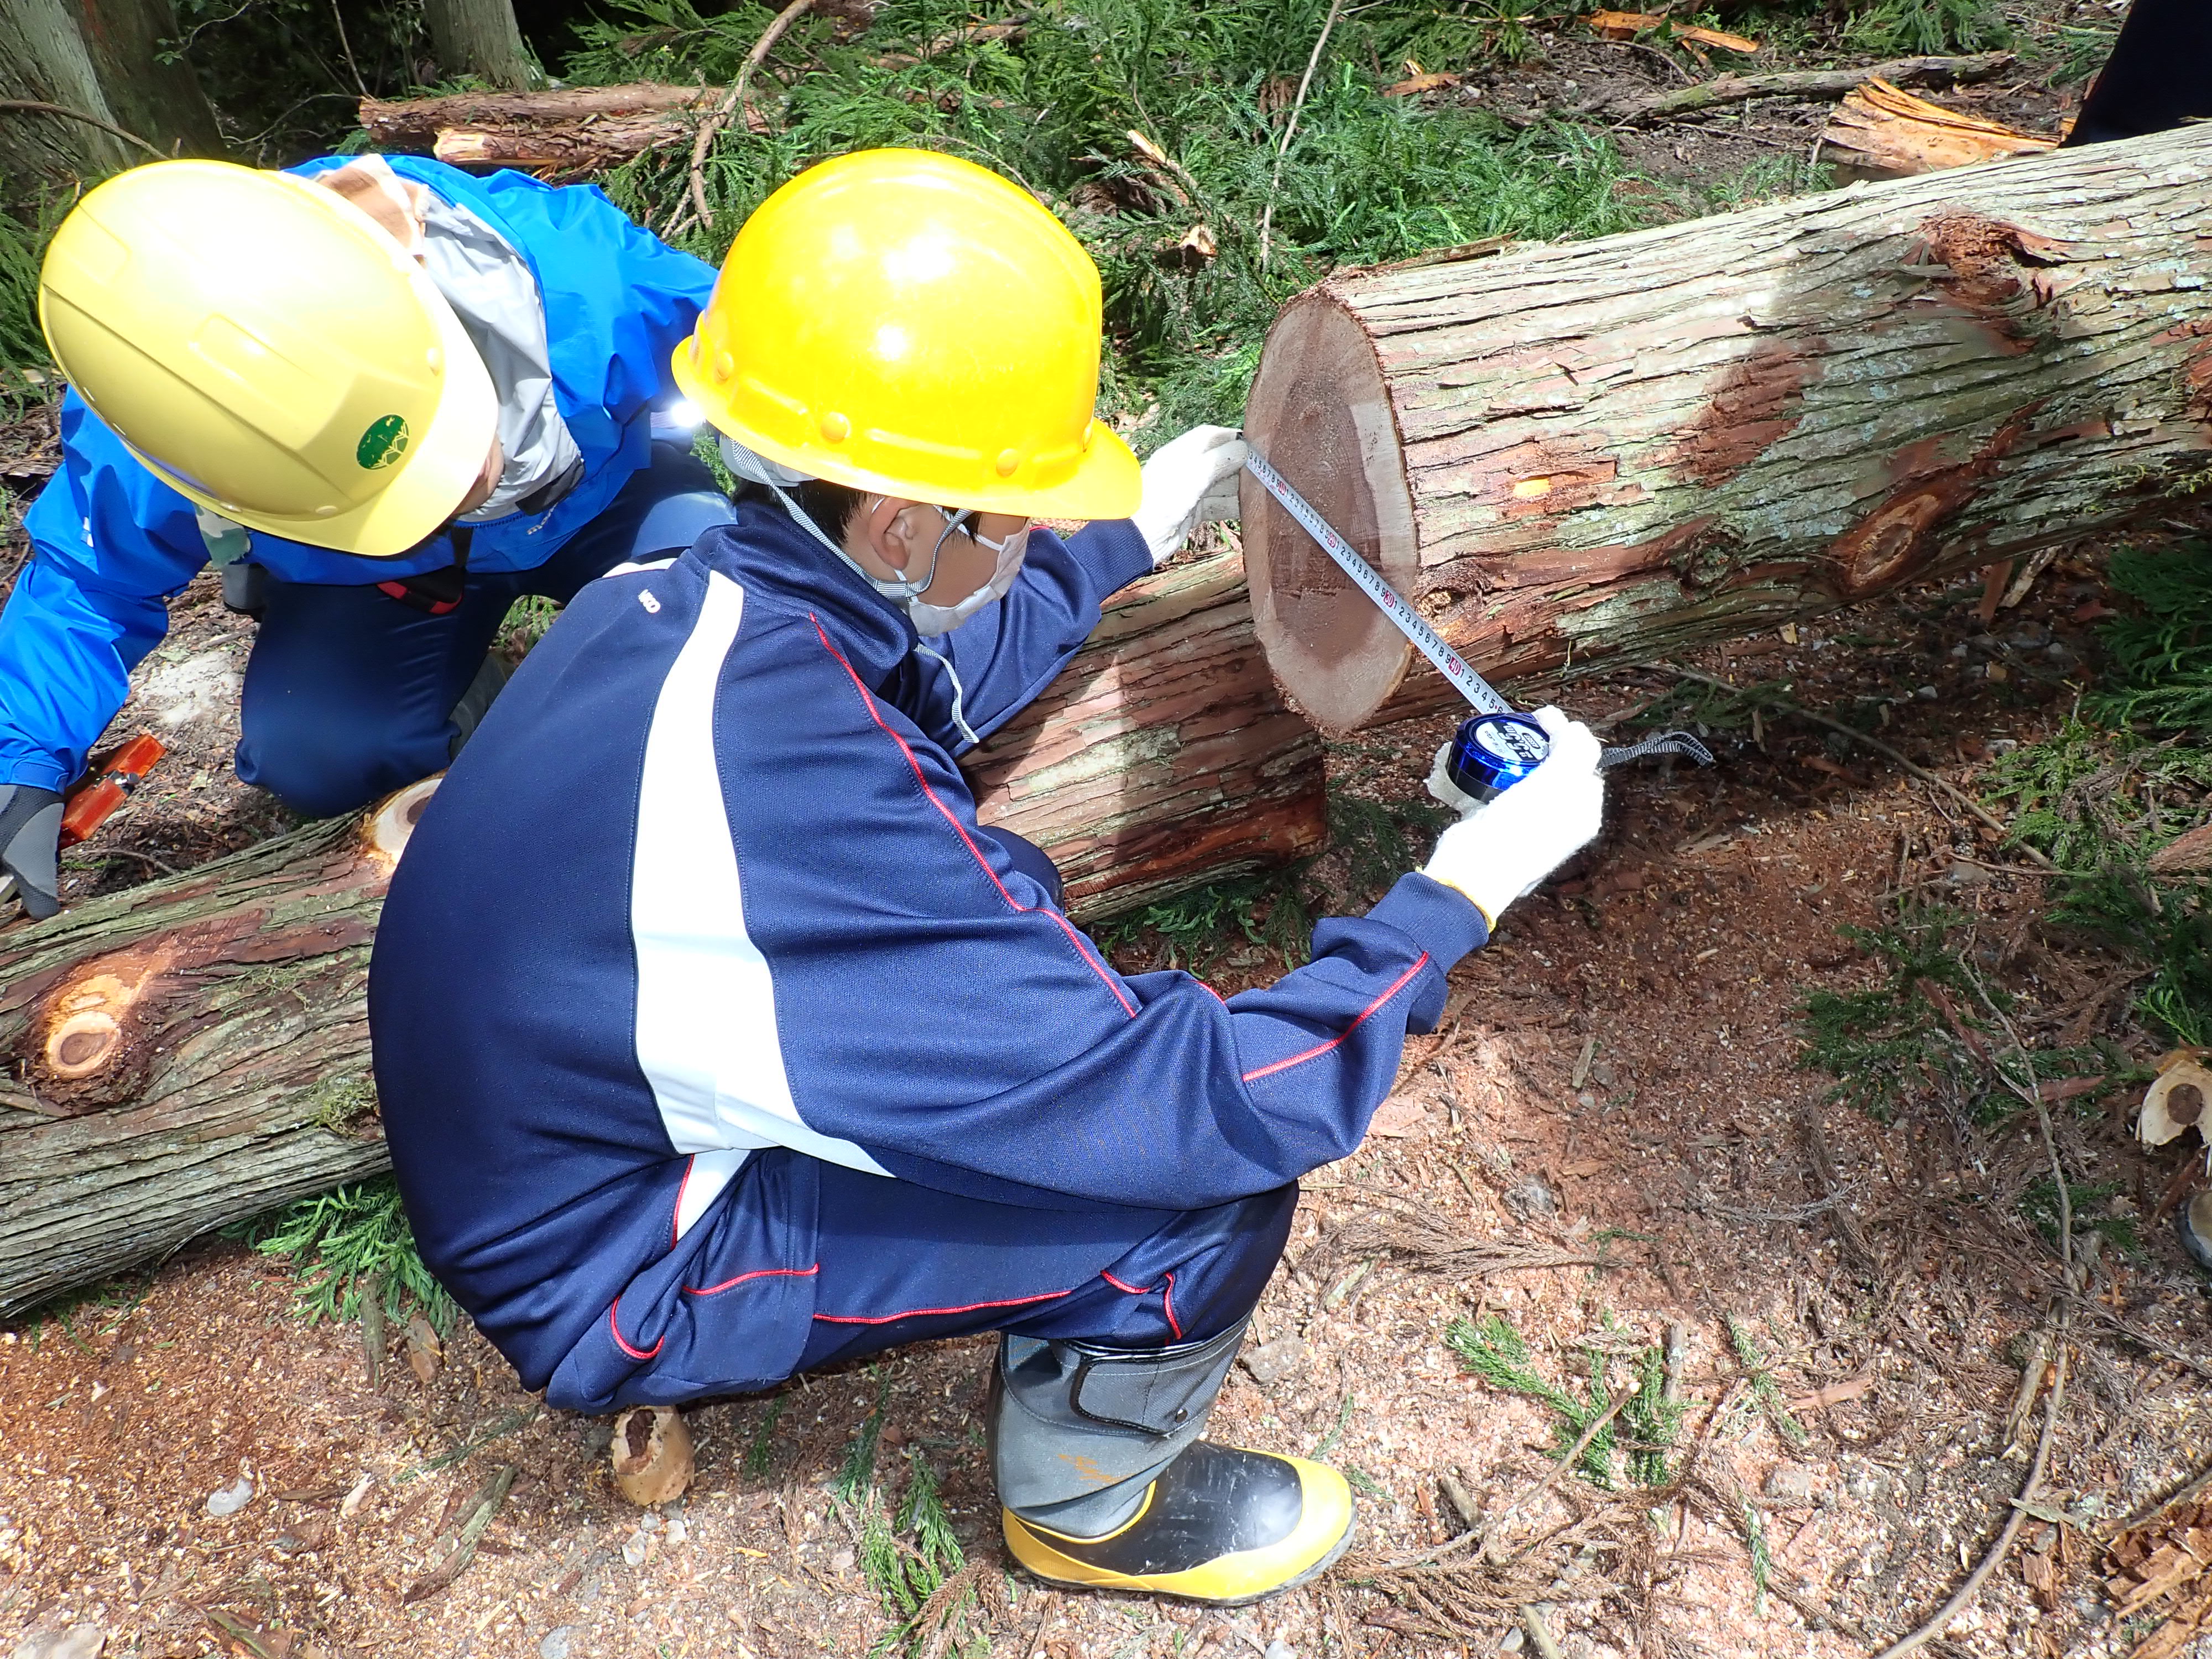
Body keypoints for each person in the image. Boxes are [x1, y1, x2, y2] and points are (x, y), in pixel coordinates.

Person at [368, 148, 1606, 1605]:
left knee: (1001, 880)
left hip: (546, 1123)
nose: (1024, 538)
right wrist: (1459, 892)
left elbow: (918, 683)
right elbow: (1205, 1103)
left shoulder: (691, 590)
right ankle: (1091, 1502)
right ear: (901, 527)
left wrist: (1118, 540)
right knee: (1195, 1199)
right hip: (614, 1258)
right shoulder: (804, 840)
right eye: (1010, 514)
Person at [0, 153, 737, 919]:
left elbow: (761, 358)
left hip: (603, 506)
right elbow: (88, 583)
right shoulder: (166, 420)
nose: (442, 499)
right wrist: (18, 762)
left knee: (733, 617)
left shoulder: (577, 275)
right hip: (388, 583)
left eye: (445, 458)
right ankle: (474, 719)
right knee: (318, 751)